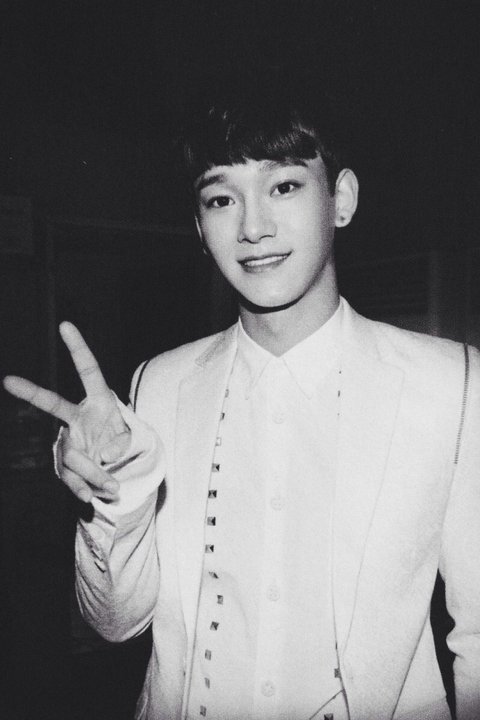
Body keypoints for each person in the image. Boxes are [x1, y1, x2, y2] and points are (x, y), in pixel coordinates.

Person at [4, 81, 480, 720]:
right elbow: (115, 624)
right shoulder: (158, 384)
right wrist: (116, 500)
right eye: (222, 198)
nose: (254, 227)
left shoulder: (453, 385)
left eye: (284, 186)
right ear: (200, 227)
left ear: (340, 200)